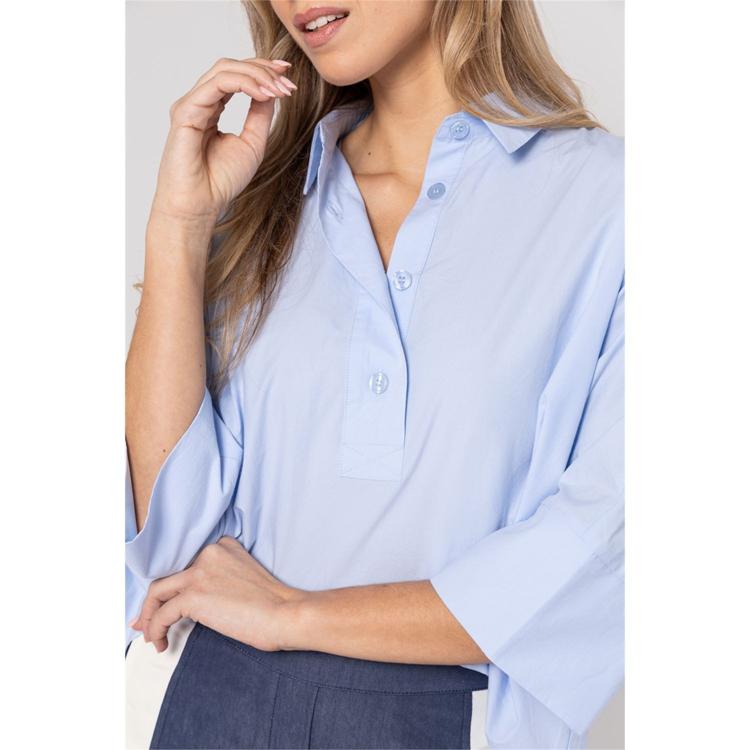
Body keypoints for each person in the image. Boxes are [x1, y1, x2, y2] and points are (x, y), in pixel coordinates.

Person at [125, 1, 624, 748]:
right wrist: (180, 225)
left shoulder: (612, 203)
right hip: (211, 699)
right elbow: (168, 542)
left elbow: (610, 540)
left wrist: (295, 616)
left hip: (448, 717)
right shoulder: (261, 204)